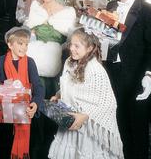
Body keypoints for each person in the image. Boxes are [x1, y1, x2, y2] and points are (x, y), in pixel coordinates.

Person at [104, 0, 151, 159]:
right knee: (117, 128)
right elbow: (108, 39)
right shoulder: (111, 7)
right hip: (112, 75)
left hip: (137, 79)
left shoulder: (149, 11)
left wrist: (149, 77)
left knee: (138, 133)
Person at [48, 28, 123, 159]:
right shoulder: (69, 63)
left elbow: (108, 104)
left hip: (88, 129)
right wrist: (59, 95)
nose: (71, 48)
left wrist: (85, 115)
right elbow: (69, 85)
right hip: (71, 121)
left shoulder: (95, 70)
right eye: (71, 44)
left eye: (77, 46)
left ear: (89, 48)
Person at [0, 26, 45, 159]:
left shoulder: (30, 62)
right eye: (20, 43)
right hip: (3, 114)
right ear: (10, 44)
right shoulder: (0, 61)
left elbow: (38, 86)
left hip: (25, 113)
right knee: (2, 146)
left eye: (26, 44)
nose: (24, 47)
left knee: (28, 141)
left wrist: (36, 103)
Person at [25, 0, 76, 98]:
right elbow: (30, 33)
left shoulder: (66, 13)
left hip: (57, 60)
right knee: (36, 94)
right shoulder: (36, 10)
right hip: (37, 58)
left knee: (54, 96)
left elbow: (70, 39)